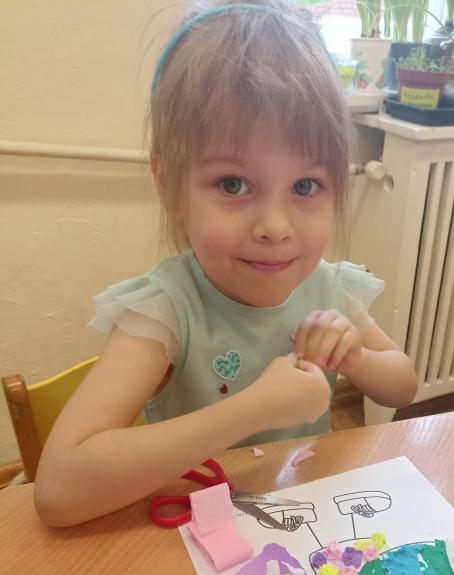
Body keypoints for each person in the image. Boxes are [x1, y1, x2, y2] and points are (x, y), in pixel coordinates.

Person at [34, 0, 418, 527]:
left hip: (305, 524)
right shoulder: (168, 309)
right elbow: (58, 491)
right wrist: (254, 408)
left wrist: (357, 359)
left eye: (306, 186)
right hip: (193, 533)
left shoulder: (329, 287)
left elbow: (404, 386)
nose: (275, 226)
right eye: (233, 185)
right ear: (171, 187)